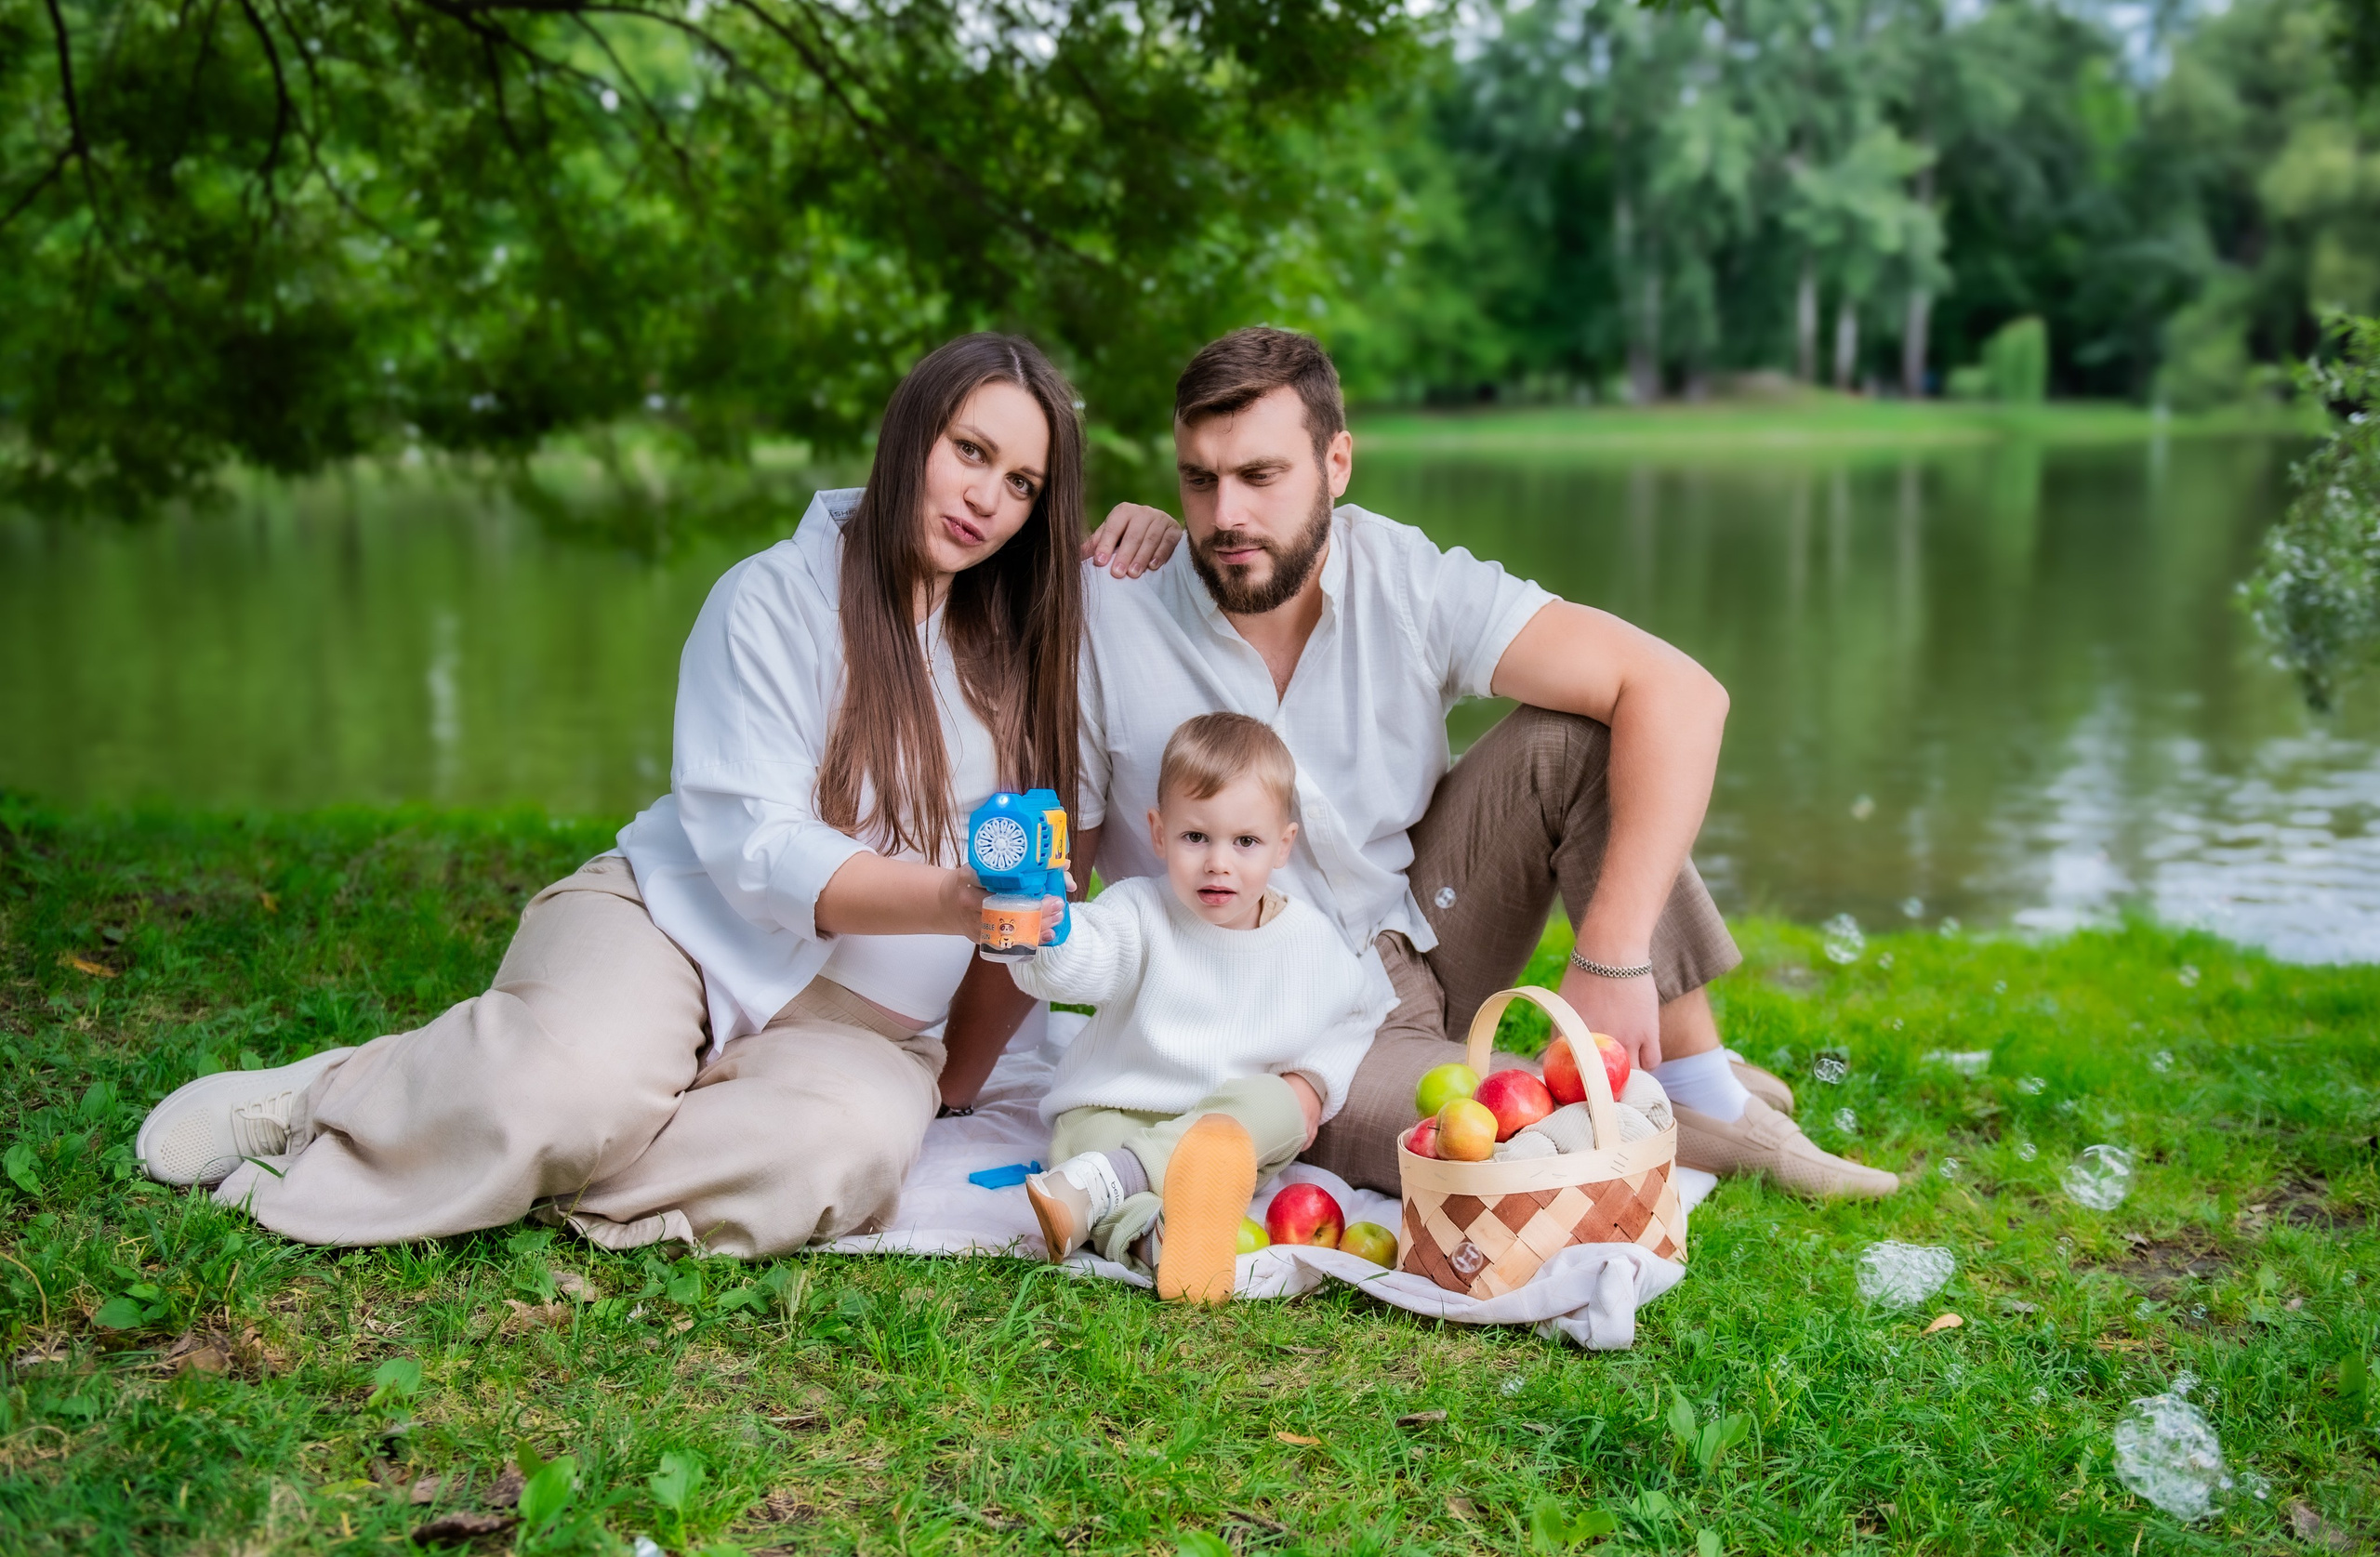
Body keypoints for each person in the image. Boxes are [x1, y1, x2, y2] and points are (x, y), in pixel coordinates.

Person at [131, 333, 1183, 1256]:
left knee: (835, 1152)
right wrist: (950, 901)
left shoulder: (1029, 639)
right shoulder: (771, 598)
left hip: (865, 1031)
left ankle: (502, 1148)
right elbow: (759, 850)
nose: (986, 499)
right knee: (565, 1088)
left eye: (1023, 484)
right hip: (675, 932)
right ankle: (351, 1096)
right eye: (971, 451)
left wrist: (1155, 532)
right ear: (912, 433)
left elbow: (1066, 835)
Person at [937, 326, 1898, 1201]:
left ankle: (1697, 1080)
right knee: (1502, 1148)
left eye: (1261, 474)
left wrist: (1609, 956)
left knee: (1578, 738)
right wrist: (956, 1084)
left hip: (1426, 931)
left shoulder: (1408, 579)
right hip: (1283, 1023)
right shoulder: (1115, 614)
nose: (1225, 514)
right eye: (1199, 479)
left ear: (1336, 462)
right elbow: (1057, 870)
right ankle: (1679, 1117)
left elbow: (1683, 693)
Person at [1010, 712, 1391, 1302]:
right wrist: (1048, 934)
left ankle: (1113, 1191)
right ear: (1158, 834)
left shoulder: (1309, 942)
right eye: (1196, 838)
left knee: (1277, 1101)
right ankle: (1158, 1241)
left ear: (1283, 845)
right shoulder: (1137, 910)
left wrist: (1314, 1083)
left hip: (1221, 1131)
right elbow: (1082, 961)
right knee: (1088, 1139)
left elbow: (1360, 1009)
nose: (1219, 862)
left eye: (1245, 842)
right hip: (1116, 1107)